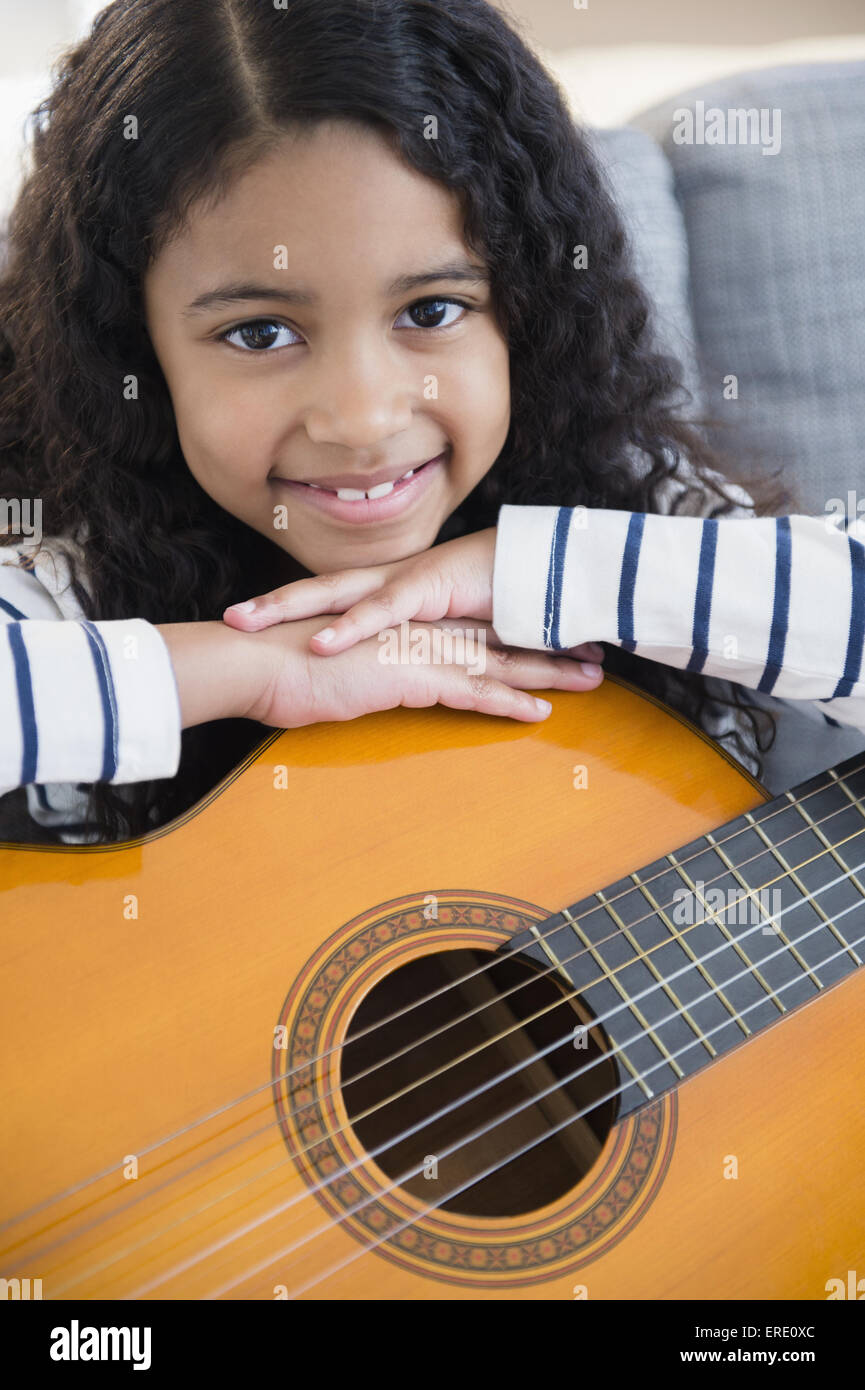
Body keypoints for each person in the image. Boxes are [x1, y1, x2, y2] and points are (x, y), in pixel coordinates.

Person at [0, 0, 862, 847]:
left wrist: (536, 571)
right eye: (259, 333)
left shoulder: (629, 505)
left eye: (431, 310)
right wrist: (253, 670)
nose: (362, 420)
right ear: (133, 349)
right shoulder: (64, 585)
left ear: (525, 315)